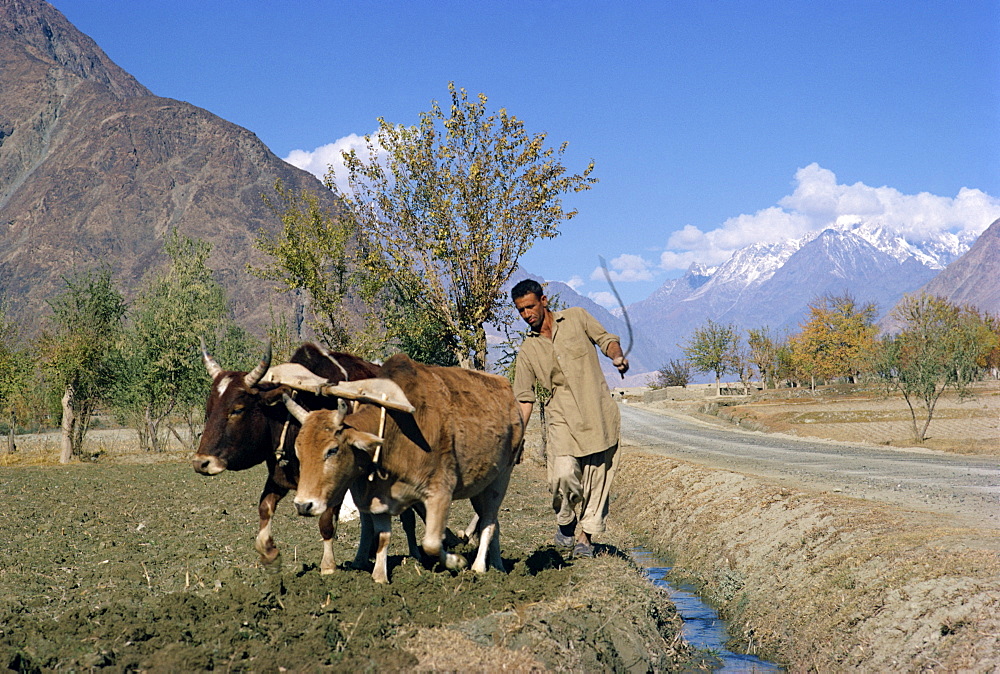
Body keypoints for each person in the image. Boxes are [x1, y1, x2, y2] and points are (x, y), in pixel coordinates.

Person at [510, 279, 629, 558]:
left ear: (543, 301)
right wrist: (517, 437)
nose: (527, 315)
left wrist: (617, 357)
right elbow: (524, 397)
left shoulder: (576, 317)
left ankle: (585, 538)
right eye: (521, 311)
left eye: (530, 307)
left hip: (597, 412)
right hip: (561, 417)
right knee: (563, 476)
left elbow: (606, 339)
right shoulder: (528, 350)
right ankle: (566, 522)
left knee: (597, 480)